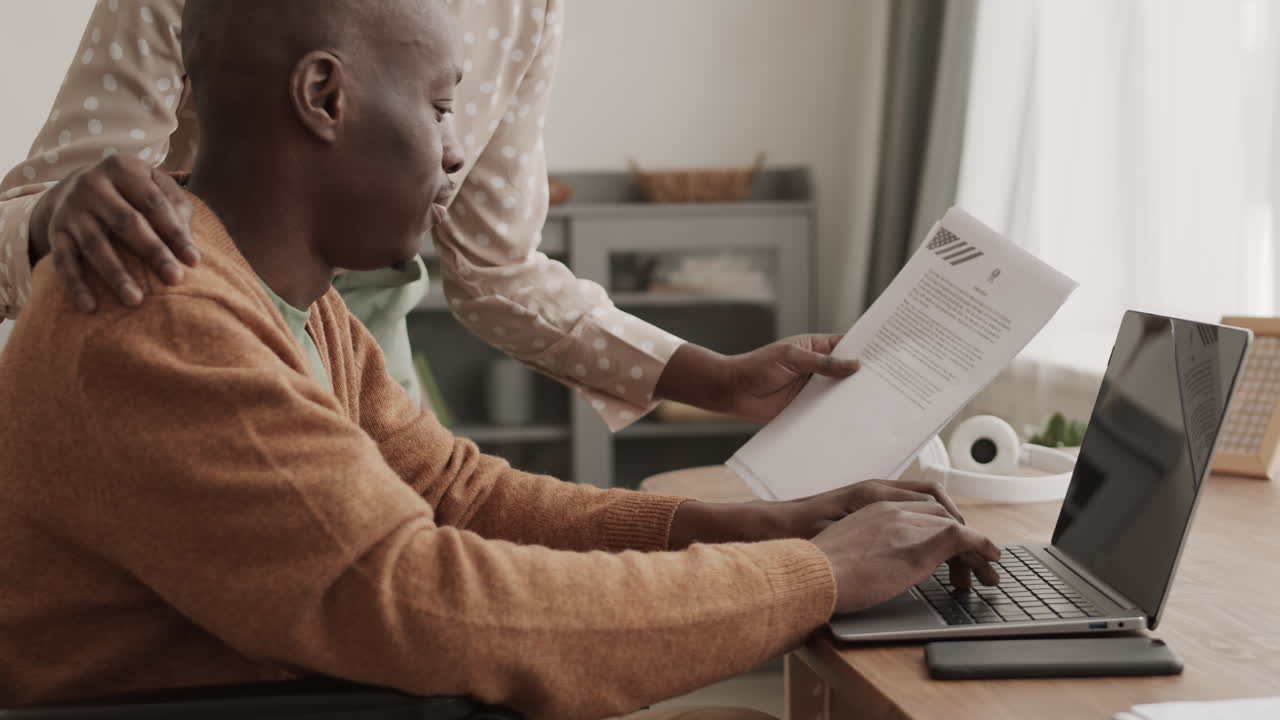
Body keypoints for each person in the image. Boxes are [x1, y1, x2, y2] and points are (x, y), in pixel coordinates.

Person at [0, 1, 1001, 718]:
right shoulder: (170, 316)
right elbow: (428, 603)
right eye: (440, 110)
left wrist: (757, 529)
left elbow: (454, 491)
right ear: (323, 97)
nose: (453, 156)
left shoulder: (295, 302)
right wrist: (811, 575)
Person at [0, 0, 857, 430]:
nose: (452, 154)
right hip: (189, 357)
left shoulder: (522, 9)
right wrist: (54, 216)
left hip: (368, 364)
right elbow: (34, 213)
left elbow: (498, 272)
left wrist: (720, 379)